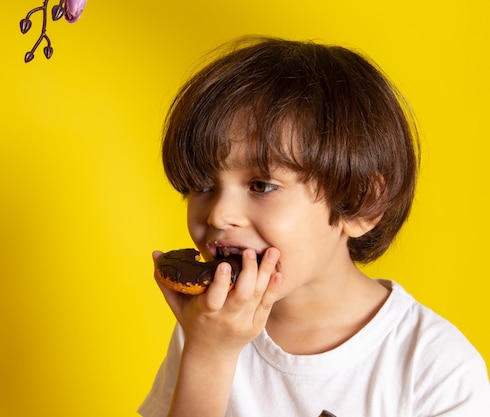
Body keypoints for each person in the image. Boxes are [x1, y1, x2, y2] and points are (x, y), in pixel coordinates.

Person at [138, 36, 490, 417]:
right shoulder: (210, 326)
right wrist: (207, 356)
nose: (218, 215)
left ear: (359, 202)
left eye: (262, 186)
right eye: (202, 187)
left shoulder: (435, 369)